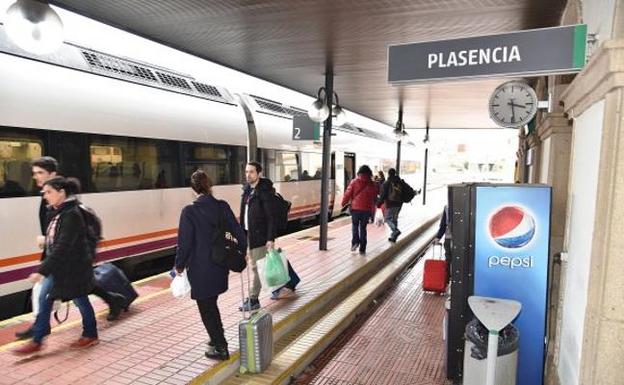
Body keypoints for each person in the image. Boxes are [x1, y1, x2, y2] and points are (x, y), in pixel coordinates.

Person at [15, 157, 124, 341]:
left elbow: (66, 237)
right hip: (59, 255)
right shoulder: (51, 195)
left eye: (40, 173)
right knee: (73, 293)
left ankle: (42, 332)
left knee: (55, 293)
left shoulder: (62, 198)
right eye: (34, 173)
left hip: (67, 258)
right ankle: (42, 329)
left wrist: (45, 264)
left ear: (52, 175)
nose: (36, 177)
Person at [13, 177, 99, 355]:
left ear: (62, 193)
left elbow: (62, 247)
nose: (45, 196)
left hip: (73, 268)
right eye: (44, 193)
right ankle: (38, 338)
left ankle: (89, 334)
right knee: (49, 298)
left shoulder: (71, 215)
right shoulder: (57, 211)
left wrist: (41, 271)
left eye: (49, 192)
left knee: (79, 300)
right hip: (62, 268)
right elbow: (54, 242)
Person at [174, 170, 246, 360]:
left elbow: (185, 243)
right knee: (211, 304)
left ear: (193, 189)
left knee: (206, 309)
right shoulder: (222, 206)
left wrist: (179, 266)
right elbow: (238, 233)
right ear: (209, 186)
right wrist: (241, 253)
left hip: (200, 269)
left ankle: (220, 347)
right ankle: (216, 339)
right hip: (219, 265)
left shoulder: (189, 211)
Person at [239, 161, 301, 311]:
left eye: (252, 172)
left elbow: (271, 217)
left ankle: (253, 299)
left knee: (256, 268)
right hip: (250, 234)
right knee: (268, 263)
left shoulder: (263, 192)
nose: (248, 175)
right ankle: (290, 281)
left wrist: (270, 239)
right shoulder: (248, 191)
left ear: (259, 174)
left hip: (260, 236)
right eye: (247, 172)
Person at [341, 165, 378, 255]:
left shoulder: (354, 182)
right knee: (363, 228)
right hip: (367, 209)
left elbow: (348, 193)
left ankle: (355, 242)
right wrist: (373, 211)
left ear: (359, 172)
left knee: (355, 226)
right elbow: (374, 197)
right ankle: (363, 247)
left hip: (355, 209)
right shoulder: (372, 184)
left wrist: (343, 203)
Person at [377, 168, 403, 242]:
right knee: (394, 219)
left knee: (387, 218)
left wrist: (379, 203)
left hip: (390, 204)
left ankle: (395, 231)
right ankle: (393, 237)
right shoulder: (400, 181)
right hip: (399, 204)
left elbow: (383, 195)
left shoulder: (387, 182)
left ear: (388, 174)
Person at [434, 205, 451, 279]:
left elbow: (443, 224)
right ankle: (448, 278)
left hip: (449, 237)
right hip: (451, 238)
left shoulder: (447, 207)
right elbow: (443, 224)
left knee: (448, 258)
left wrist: (438, 237)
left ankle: (447, 279)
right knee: (450, 258)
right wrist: (438, 237)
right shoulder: (447, 207)